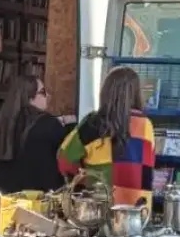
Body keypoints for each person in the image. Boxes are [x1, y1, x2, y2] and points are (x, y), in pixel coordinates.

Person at [57, 66, 155, 206]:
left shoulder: (92, 123)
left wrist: (82, 179)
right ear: (136, 93)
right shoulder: (147, 125)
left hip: (100, 210)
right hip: (138, 212)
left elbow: (64, 159)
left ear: (106, 91)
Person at [0, 75, 68, 193]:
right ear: (29, 97)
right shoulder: (50, 125)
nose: (48, 96)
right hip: (42, 199)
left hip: (6, 198)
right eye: (43, 92)